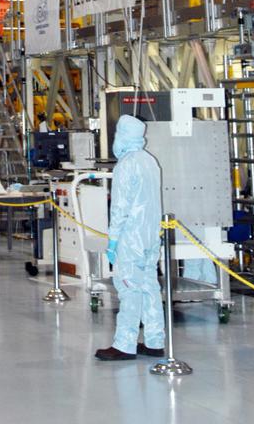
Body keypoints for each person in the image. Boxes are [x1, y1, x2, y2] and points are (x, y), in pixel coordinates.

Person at [95, 114, 165, 362]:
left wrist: (113, 240)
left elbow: (120, 208)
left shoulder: (126, 165)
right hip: (151, 237)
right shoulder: (150, 161)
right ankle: (156, 341)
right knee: (149, 288)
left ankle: (124, 344)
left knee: (128, 288)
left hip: (131, 238)